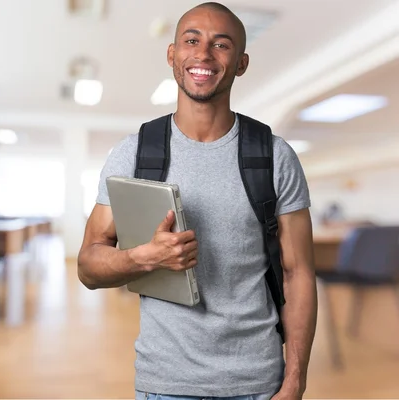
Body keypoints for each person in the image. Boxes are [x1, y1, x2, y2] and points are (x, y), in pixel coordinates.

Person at [77, 2, 317, 400]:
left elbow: (299, 274)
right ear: (173, 55)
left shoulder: (274, 156)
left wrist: (295, 382)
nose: (203, 53)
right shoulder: (134, 154)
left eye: (221, 45)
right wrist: (145, 257)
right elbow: (88, 265)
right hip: (165, 383)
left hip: (257, 382)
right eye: (191, 40)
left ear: (240, 63)